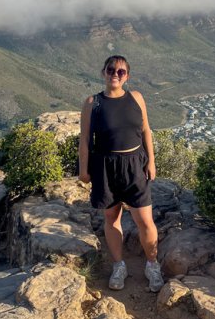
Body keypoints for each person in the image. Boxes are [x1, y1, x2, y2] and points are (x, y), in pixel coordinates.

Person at [78, 55, 164, 292]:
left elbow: (146, 129)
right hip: (105, 166)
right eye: (111, 70)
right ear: (103, 72)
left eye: (121, 72)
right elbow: (84, 139)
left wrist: (151, 161)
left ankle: (152, 265)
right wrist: (83, 170)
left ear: (127, 76)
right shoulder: (92, 103)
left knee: (145, 220)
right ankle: (119, 266)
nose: (115, 74)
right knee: (111, 217)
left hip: (135, 164)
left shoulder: (136, 98)